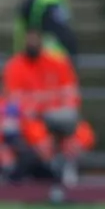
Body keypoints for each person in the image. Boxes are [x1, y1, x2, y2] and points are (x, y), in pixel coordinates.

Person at [3, 30, 96, 189]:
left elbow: (71, 95)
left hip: (59, 116)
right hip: (32, 118)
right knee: (38, 135)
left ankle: (67, 165)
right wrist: (49, 98)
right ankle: (52, 167)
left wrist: (40, 98)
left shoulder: (57, 63)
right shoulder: (15, 66)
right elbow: (17, 100)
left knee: (84, 134)